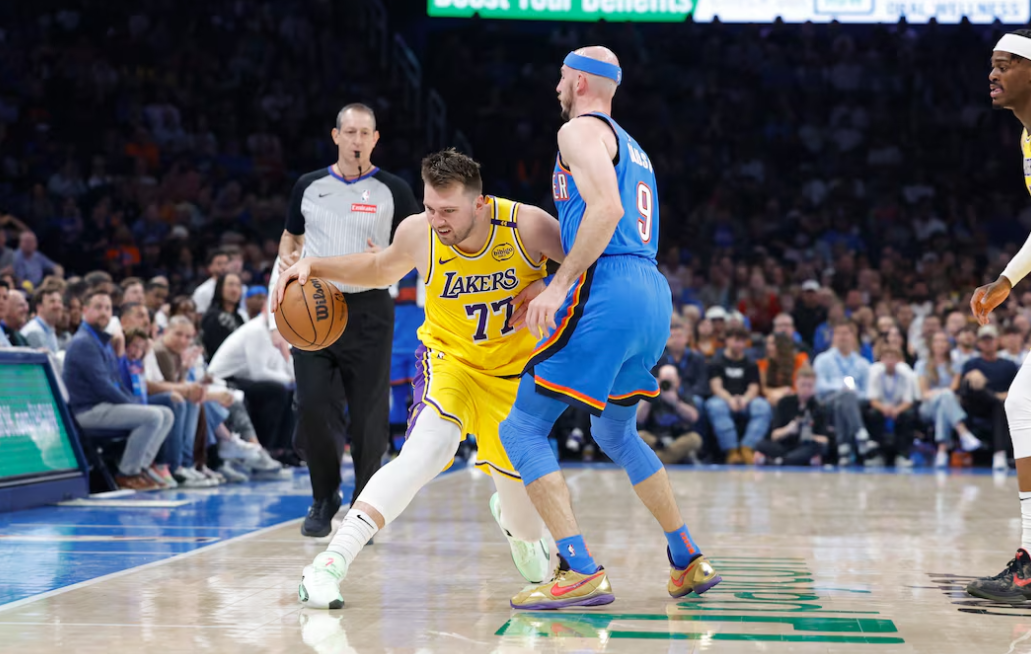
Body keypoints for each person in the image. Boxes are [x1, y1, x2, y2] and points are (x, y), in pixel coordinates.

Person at [275, 149, 564, 609]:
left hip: (512, 378)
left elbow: (590, 263)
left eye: (448, 210)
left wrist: (554, 286)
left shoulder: (526, 225)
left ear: (480, 204)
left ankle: (516, 527)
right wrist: (316, 266)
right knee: (422, 455)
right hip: (449, 364)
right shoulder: (419, 231)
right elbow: (379, 268)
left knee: (527, 532)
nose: (437, 219)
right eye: (430, 207)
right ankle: (328, 565)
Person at [497, 47, 720, 610]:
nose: (555, 88)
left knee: (521, 430)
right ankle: (687, 558)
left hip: (611, 286)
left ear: (577, 80)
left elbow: (606, 212)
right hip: (649, 292)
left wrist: (558, 285)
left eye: (559, 79)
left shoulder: (577, 131)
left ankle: (578, 569)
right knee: (616, 434)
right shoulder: (633, 145)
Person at [276, 102, 420, 539]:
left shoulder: (394, 190)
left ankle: (363, 505)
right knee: (314, 406)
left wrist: (390, 256)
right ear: (335, 136)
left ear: (376, 139)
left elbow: (415, 248)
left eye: (365, 133)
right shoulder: (308, 185)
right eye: (350, 132)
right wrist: (287, 254)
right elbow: (291, 234)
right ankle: (324, 496)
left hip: (370, 308)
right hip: (315, 306)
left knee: (368, 416)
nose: (357, 140)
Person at [966, 33, 1031, 599]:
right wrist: (1007, 280)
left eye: (1004, 66)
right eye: (991, 66)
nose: (993, 75)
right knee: (1025, 403)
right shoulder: (1027, 136)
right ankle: (1030, 558)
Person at [62, 288, 174, 491]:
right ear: (85, 310)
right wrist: (133, 404)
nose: (104, 312)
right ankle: (127, 474)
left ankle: (140, 468)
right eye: (98, 307)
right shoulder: (83, 343)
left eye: (107, 308)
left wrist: (136, 402)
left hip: (104, 406)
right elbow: (103, 386)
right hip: (87, 411)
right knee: (153, 417)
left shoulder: (103, 341)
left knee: (166, 414)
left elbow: (117, 383)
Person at [207, 310, 295, 454]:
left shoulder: (280, 332)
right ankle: (266, 448)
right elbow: (258, 372)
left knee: (294, 392)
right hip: (224, 379)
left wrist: (295, 380)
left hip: (247, 378)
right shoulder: (256, 330)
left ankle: (284, 449)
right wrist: (290, 380)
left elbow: (284, 364)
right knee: (277, 391)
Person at [705, 326, 772, 464]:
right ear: (727, 340)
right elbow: (716, 387)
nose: (739, 345)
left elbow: (754, 387)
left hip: (745, 401)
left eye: (742, 341)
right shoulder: (717, 362)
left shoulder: (751, 363)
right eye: (736, 340)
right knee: (715, 405)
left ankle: (748, 447)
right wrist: (730, 399)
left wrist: (745, 399)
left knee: (763, 406)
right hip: (725, 399)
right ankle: (732, 450)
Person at [916, 331, 982, 468]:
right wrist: (942, 392)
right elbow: (924, 393)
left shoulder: (955, 364)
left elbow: (954, 388)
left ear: (948, 345)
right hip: (927, 407)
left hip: (947, 405)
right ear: (931, 344)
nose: (940, 344)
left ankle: (942, 451)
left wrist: (942, 393)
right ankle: (963, 432)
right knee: (946, 396)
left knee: (944, 406)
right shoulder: (922, 364)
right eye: (937, 341)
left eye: (943, 341)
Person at [813, 320, 873, 465]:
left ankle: (843, 447)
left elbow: (868, 392)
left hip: (856, 401)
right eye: (838, 333)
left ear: (853, 337)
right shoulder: (823, 360)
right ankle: (861, 435)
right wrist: (842, 388)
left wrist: (852, 393)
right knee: (844, 396)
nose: (842, 337)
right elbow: (820, 386)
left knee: (846, 399)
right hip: (827, 400)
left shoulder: (862, 364)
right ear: (833, 337)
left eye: (846, 333)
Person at [754, 367, 829, 467]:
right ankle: (795, 461)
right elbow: (774, 435)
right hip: (784, 445)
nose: (806, 389)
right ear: (796, 383)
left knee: (817, 448)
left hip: (805, 446)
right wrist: (788, 429)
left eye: (810, 386)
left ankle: (779, 461)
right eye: (803, 385)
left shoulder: (819, 407)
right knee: (761, 444)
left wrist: (810, 436)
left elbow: (825, 439)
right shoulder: (784, 403)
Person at [863, 345, 920, 468]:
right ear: (881, 360)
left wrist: (897, 410)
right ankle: (878, 453)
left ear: (899, 360)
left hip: (899, 408)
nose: (889, 361)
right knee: (873, 414)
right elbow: (872, 399)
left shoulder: (905, 375)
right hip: (882, 407)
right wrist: (884, 408)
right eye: (886, 358)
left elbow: (908, 400)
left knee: (908, 415)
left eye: (893, 358)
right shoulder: (875, 374)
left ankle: (902, 454)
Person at [636, 364, 703, 464]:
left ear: (678, 381)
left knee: (695, 439)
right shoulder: (651, 397)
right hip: (656, 441)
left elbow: (694, 417)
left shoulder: (683, 396)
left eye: (671, 381)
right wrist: (651, 394)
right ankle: (674, 457)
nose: (667, 384)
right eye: (665, 381)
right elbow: (639, 418)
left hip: (678, 440)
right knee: (639, 436)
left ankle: (657, 460)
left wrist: (676, 403)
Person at [200, 272, 245, 359]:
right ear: (220, 288)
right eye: (230, 285)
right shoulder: (212, 317)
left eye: (238, 286)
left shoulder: (239, 318)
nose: (234, 290)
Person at [20, 284, 62, 353]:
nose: (58, 306)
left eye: (59, 302)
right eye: (52, 301)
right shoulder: (34, 332)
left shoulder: (49, 330)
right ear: (39, 307)